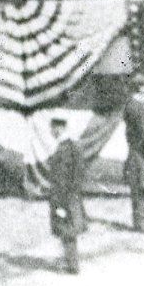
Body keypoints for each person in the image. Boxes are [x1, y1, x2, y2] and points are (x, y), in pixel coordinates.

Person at [44, 117, 87, 275]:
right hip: (69, 195)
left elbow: (69, 176)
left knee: (67, 229)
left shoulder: (66, 148)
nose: (51, 131)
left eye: (53, 128)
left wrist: (62, 200)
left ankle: (72, 265)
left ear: (59, 128)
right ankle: (70, 261)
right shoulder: (70, 146)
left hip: (64, 196)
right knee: (67, 229)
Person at [121, 88, 144, 232]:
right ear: (141, 90)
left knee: (136, 189)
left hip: (133, 153)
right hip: (143, 155)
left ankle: (137, 222)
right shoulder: (141, 110)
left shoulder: (129, 106)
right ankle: (142, 223)